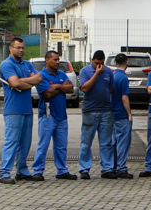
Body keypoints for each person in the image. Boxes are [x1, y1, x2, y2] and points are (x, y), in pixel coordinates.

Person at [0, 36, 38, 183]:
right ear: (11, 48)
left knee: (25, 143)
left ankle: (22, 171)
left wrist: (21, 82)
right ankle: (4, 174)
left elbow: (38, 79)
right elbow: (14, 82)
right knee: (11, 142)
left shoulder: (27, 64)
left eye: (22, 47)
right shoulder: (6, 65)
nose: (21, 50)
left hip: (27, 109)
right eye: (18, 47)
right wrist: (25, 81)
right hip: (13, 110)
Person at [30, 47, 75, 180]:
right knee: (43, 145)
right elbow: (47, 93)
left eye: (58, 59)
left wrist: (56, 86)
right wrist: (62, 87)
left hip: (62, 116)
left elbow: (70, 88)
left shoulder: (62, 74)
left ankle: (62, 170)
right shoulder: (41, 76)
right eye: (55, 59)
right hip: (47, 115)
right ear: (47, 60)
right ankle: (38, 170)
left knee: (61, 146)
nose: (57, 62)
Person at [77, 49, 119, 177]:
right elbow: (84, 88)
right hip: (90, 111)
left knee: (106, 142)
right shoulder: (85, 71)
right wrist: (96, 74)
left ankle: (107, 168)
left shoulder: (108, 72)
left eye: (101, 63)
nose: (99, 66)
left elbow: (110, 89)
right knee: (86, 142)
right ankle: (84, 169)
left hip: (106, 111)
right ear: (92, 61)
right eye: (96, 63)